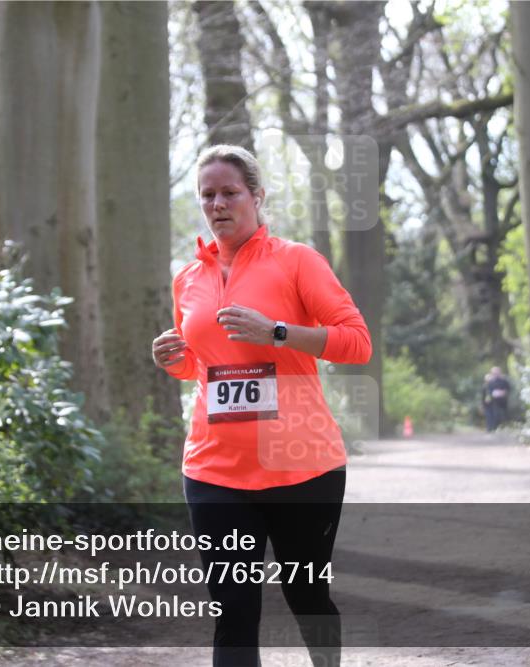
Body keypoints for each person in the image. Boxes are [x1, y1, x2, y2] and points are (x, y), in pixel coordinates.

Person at [151, 144, 371, 667]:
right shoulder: (188, 278)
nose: (218, 204)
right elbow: (202, 365)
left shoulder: (296, 261)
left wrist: (276, 332)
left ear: (257, 196)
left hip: (301, 466)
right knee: (234, 610)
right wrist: (172, 359)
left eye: (230, 192)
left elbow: (356, 342)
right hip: (214, 469)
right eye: (208, 195)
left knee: (307, 597)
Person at [481, 366, 511, 432]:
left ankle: (502, 428)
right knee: (492, 416)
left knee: (502, 416)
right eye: (494, 373)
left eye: (497, 372)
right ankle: (492, 429)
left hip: (503, 403)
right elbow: (487, 393)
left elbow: (508, 389)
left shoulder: (504, 381)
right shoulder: (490, 382)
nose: (496, 374)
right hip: (492, 403)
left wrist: (503, 392)